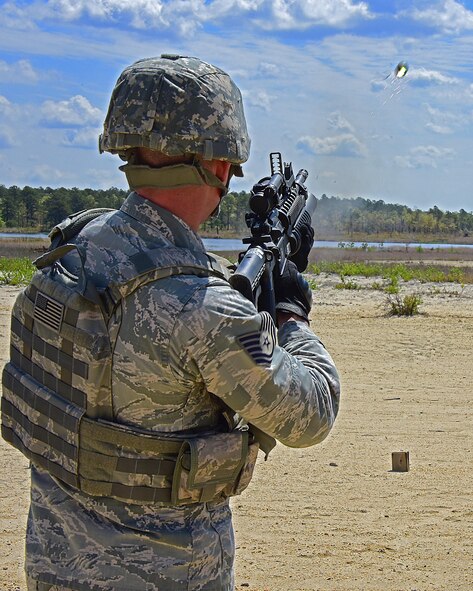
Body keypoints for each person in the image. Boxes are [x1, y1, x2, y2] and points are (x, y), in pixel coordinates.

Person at [1, 55, 340, 591]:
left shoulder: (71, 254)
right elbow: (312, 415)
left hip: (55, 568)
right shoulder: (203, 309)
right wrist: (291, 316)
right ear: (223, 166)